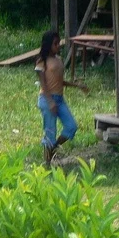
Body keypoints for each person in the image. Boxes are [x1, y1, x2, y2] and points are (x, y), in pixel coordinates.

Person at [35, 31, 89, 167]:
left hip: (59, 99)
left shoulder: (58, 60)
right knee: (50, 131)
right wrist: (50, 101)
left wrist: (76, 85)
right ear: (48, 44)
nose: (58, 46)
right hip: (47, 99)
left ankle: (53, 148)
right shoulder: (42, 61)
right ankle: (47, 163)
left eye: (59, 43)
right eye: (55, 44)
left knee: (71, 126)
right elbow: (43, 83)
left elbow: (59, 81)